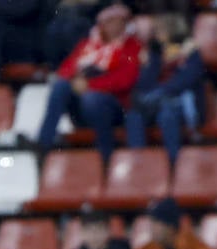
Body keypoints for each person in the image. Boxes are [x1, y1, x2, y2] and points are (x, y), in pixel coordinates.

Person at [36, 3, 142, 164]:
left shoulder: (132, 46)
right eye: (109, 21)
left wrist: (89, 86)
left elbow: (125, 80)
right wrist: (75, 80)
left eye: (118, 20)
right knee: (61, 86)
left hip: (115, 106)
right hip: (83, 104)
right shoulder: (88, 45)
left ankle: (105, 155)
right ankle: (44, 144)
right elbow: (65, 70)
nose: (113, 25)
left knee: (93, 99)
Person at [123, 12, 205, 164]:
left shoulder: (191, 51)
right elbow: (144, 83)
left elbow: (188, 78)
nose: (156, 33)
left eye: (159, 30)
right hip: (155, 102)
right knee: (134, 116)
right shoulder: (155, 53)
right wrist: (151, 64)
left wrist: (163, 91)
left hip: (180, 100)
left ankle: (173, 164)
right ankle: (138, 162)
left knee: (167, 114)